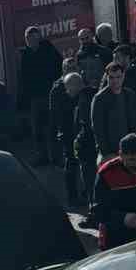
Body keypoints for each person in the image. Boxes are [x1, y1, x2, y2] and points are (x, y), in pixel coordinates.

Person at [94, 133, 136, 248]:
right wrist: (123, 218)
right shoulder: (106, 173)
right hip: (115, 239)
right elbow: (97, 212)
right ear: (120, 155)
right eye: (132, 160)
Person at [17, 26, 62, 165]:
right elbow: (23, 78)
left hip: (49, 94)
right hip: (34, 97)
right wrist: (23, 99)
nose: (32, 42)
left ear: (39, 38)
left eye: (35, 39)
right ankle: (42, 156)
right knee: (37, 130)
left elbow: (59, 66)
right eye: (29, 39)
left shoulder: (48, 49)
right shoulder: (25, 55)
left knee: (52, 127)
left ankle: (55, 157)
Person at [90, 61, 136, 162]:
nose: (115, 81)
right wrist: (106, 153)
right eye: (111, 77)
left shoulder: (130, 95)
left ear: (123, 76)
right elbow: (98, 128)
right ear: (107, 77)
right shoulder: (99, 99)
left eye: (118, 77)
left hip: (130, 150)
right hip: (110, 153)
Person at [49, 71, 86, 204]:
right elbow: (57, 120)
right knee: (71, 165)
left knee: (81, 165)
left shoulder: (83, 97)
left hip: (79, 135)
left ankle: (83, 192)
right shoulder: (62, 99)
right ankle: (72, 196)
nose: (67, 90)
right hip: (68, 136)